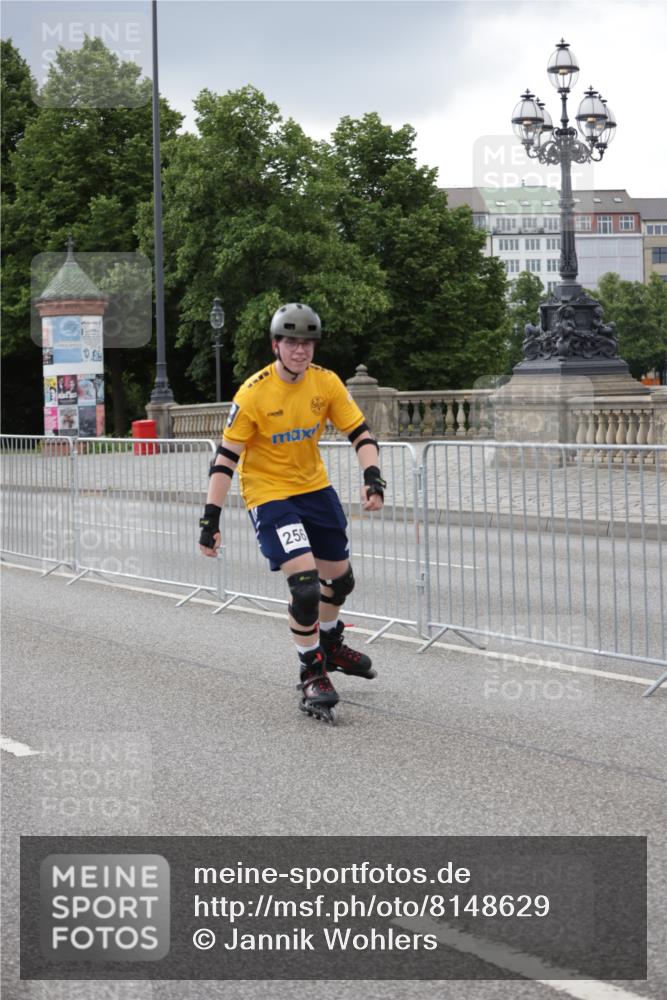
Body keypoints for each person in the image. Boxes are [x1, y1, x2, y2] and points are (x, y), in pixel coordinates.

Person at [199, 302, 386, 723]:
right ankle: (311, 671)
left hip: (314, 488)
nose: (300, 350)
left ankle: (331, 642)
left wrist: (373, 475)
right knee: (304, 587)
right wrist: (210, 518)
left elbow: (360, 432)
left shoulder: (326, 383)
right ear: (276, 345)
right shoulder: (253, 393)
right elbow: (225, 459)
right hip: (269, 493)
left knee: (341, 581)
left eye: (307, 343)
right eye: (292, 342)